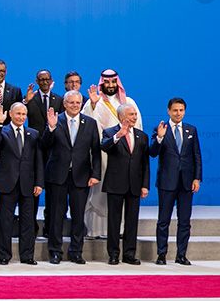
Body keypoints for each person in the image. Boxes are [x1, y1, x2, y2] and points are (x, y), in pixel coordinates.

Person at [41, 91, 101, 264]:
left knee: (77, 216)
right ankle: (55, 252)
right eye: (71, 102)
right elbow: (44, 145)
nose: (75, 105)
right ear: (65, 103)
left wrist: (95, 174)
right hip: (57, 176)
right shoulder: (55, 120)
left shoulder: (90, 123)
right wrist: (50, 128)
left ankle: (76, 251)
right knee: (56, 216)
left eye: (78, 102)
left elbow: (95, 151)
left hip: (81, 177)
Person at [82, 69, 142, 239]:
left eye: (113, 82)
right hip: (103, 154)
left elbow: (138, 129)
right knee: (99, 192)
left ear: (118, 83)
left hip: (124, 156)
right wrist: (93, 105)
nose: (110, 85)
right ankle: (95, 230)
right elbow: (88, 125)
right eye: (106, 82)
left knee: (122, 192)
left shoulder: (129, 102)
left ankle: (120, 231)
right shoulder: (95, 101)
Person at [0, 102, 43, 265]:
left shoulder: (33, 134)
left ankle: (27, 256)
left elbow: (38, 161)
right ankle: (4, 255)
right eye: (18, 114)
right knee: (5, 220)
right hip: (8, 183)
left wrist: (39, 183)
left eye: (23, 114)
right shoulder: (2, 131)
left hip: (28, 183)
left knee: (28, 221)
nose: (21, 117)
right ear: (10, 114)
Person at [149, 98, 202, 265]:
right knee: (163, 220)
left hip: (186, 182)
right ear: (168, 111)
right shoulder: (161, 129)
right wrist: (159, 137)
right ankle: (161, 254)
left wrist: (197, 178)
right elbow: (152, 152)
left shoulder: (191, 130)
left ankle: (181, 255)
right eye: (175, 110)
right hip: (167, 182)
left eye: (181, 110)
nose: (178, 113)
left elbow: (197, 156)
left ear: (184, 111)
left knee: (184, 221)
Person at [100, 104, 149, 265]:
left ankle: (129, 254)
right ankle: (113, 254)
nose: (135, 117)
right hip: (115, 183)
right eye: (131, 114)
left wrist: (145, 185)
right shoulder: (110, 132)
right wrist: (119, 136)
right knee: (114, 221)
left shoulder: (142, 136)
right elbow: (105, 147)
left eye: (135, 114)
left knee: (132, 221)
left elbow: (145, 163)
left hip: (135, 184)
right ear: (121, 117)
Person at [24, 69, 64, 238]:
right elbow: (19, 116)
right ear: (37, 81)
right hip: (34, 149)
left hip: (54, 149)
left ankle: (49, 227)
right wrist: (26, 101)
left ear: (51, 80)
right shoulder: (30, 99)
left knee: (53, 192)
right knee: (33, 190)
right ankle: (31, 227)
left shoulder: (60, 100)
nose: (45, 82)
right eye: (41, 80)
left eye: (47, 79)